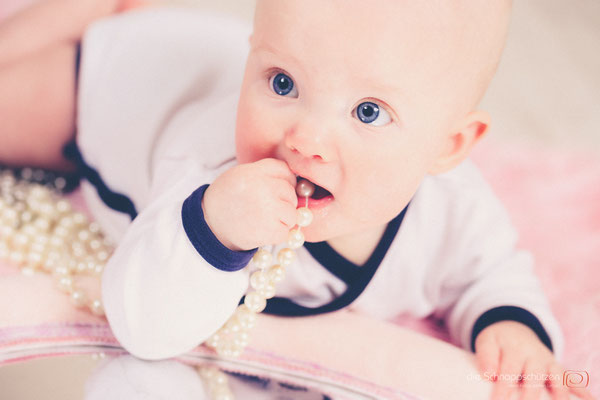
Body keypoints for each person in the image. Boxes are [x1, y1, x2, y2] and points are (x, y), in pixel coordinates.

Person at [0, 1, 592, 399]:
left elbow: (492, 272)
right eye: (281, 83)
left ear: (450, 144)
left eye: (368, 112)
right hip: (120, 84)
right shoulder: (207, 170)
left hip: (199, 56)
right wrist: (216, 232)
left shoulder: (454, 214)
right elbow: (144, 326)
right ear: (257, 56)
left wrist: (512, 324)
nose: (304, 139)